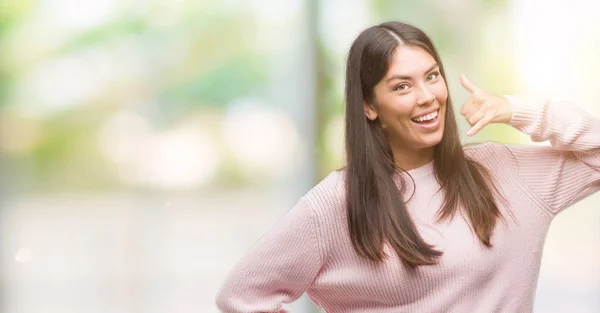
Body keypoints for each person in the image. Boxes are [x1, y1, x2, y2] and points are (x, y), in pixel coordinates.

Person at [215, 21, 600, 313]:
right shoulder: (337, 203)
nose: (427, 97)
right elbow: (242, 297)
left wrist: (519, 110)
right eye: (402, 86)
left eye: (432, 77)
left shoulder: (503, 171)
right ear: (369, 106)